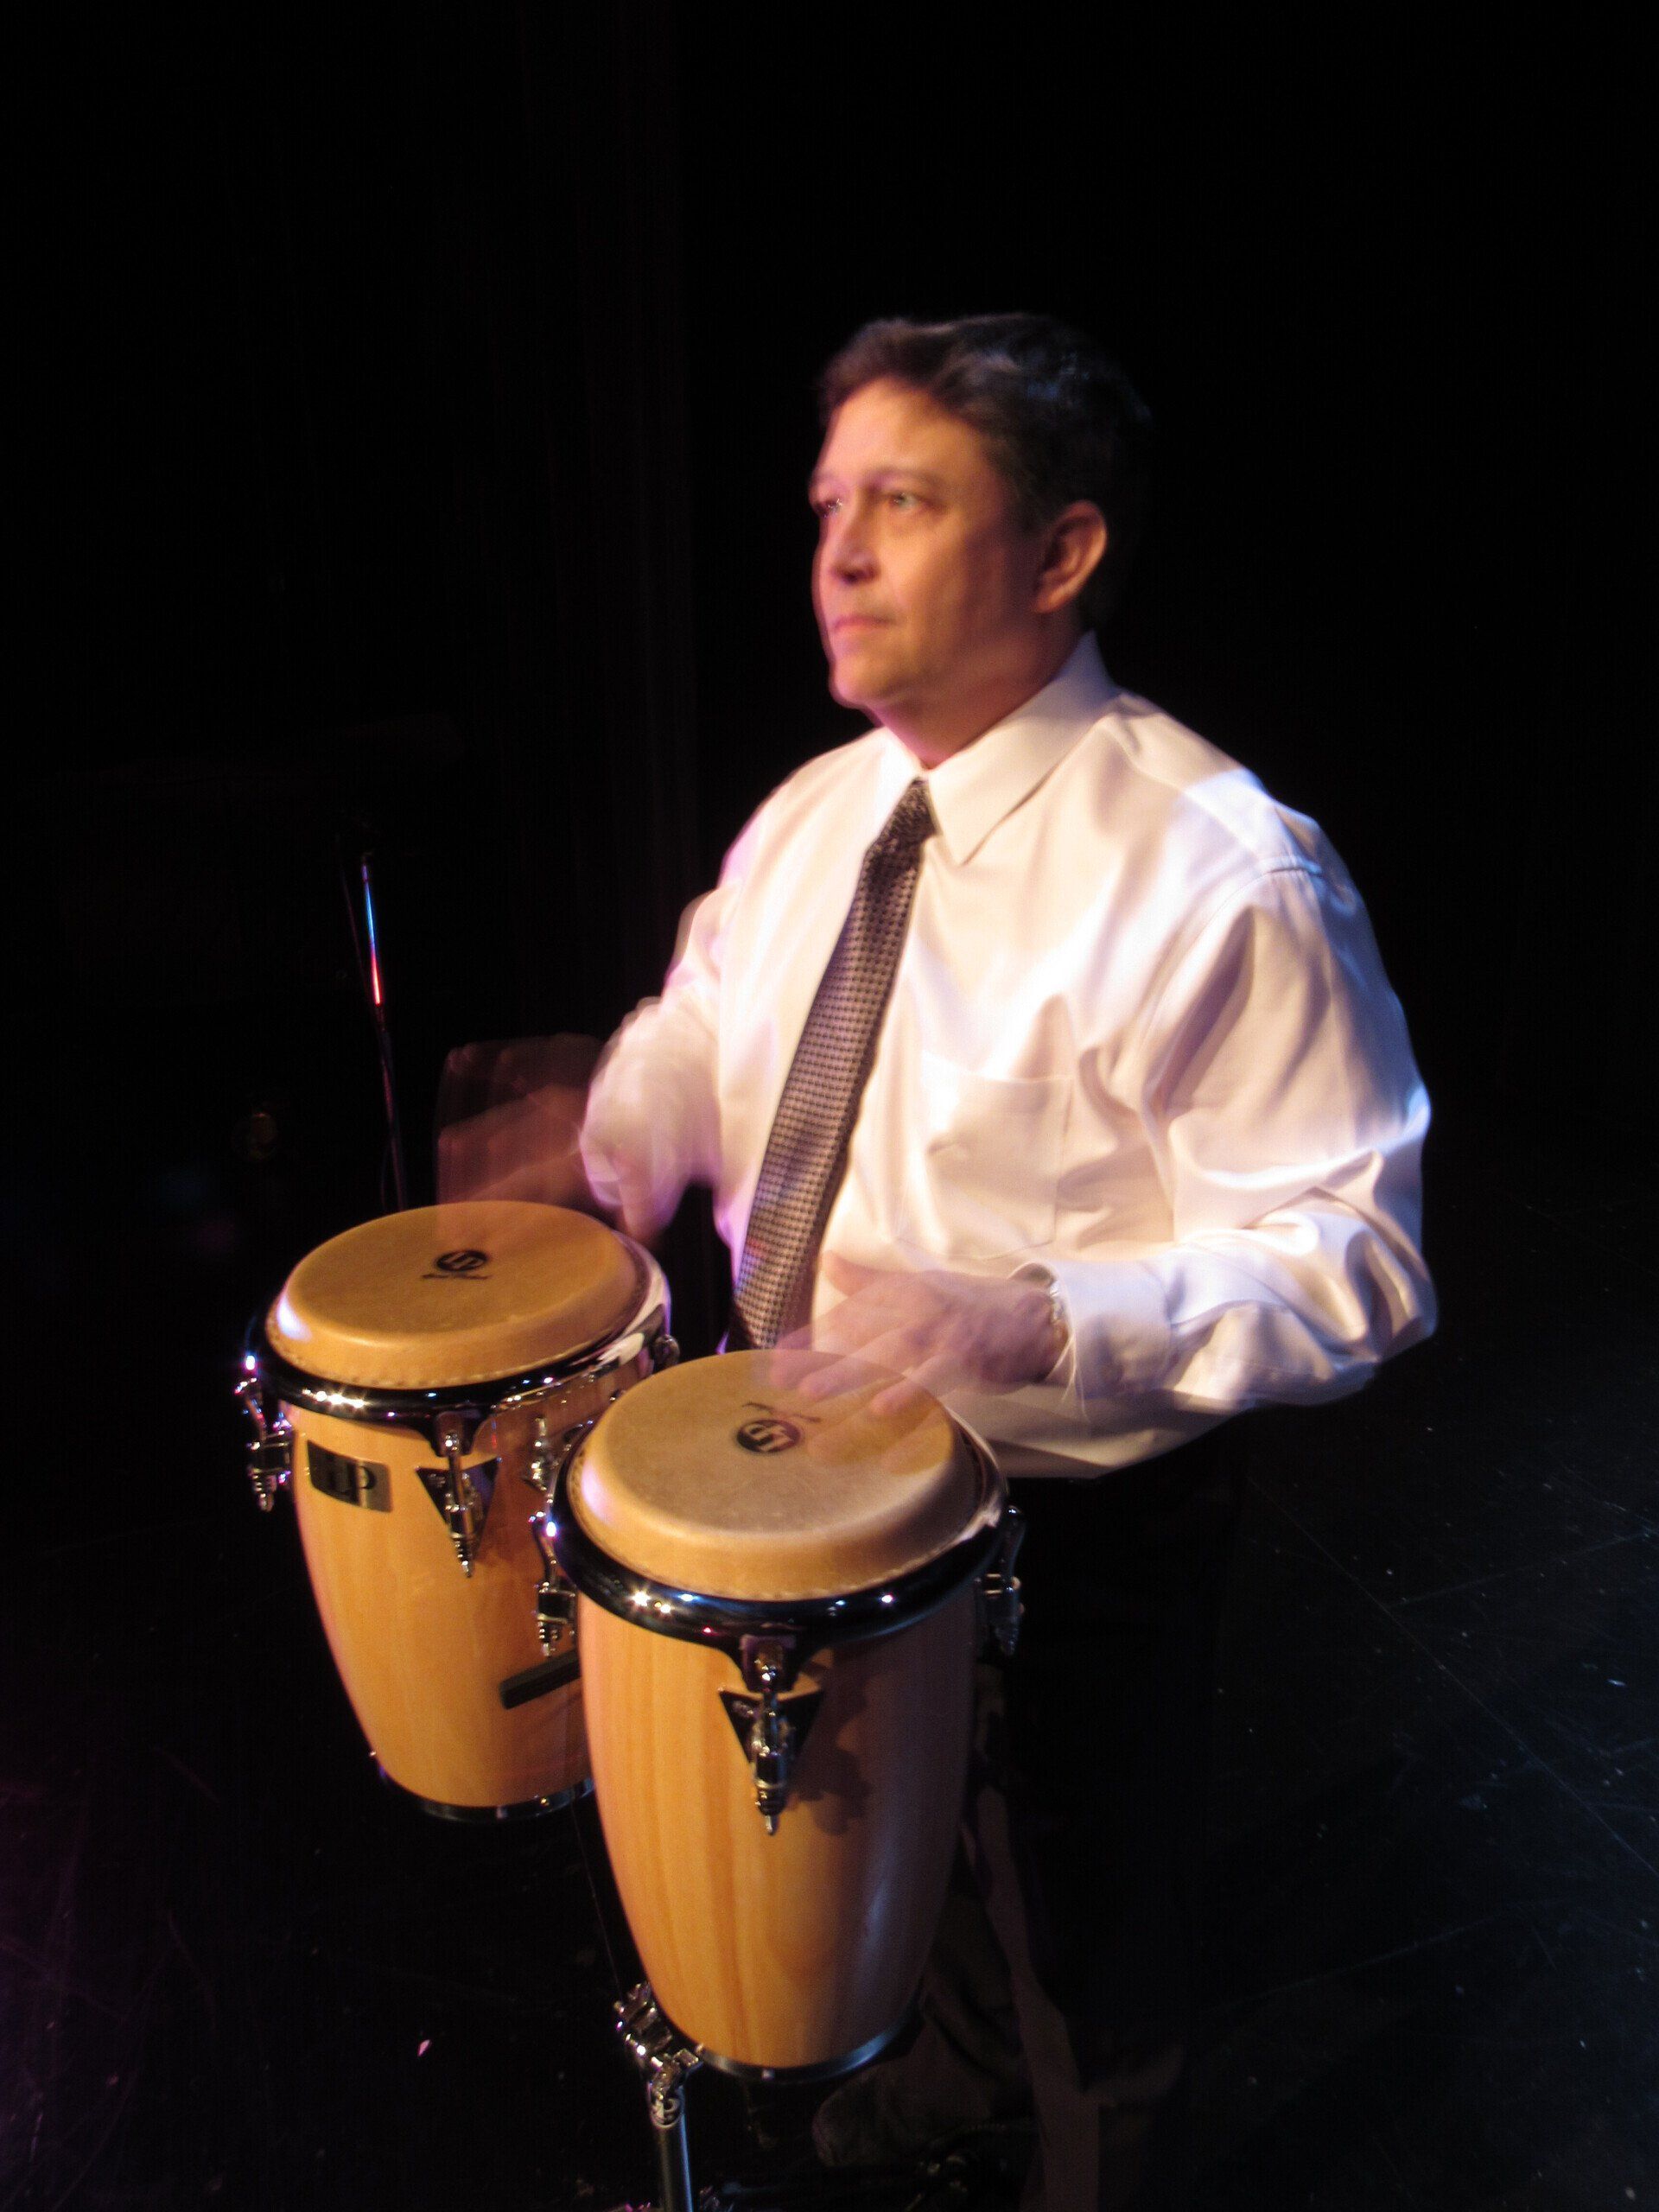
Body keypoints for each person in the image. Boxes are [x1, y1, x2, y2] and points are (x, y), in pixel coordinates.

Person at [439, 314, 1435, 2209]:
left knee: (1084, 1925)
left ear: (1062, 553)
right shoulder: (820, 811)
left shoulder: (1222, 869)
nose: (839, 552)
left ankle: (1089, 2160)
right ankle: (960, 2073)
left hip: (1074, 1519)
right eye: (829, 504)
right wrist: (629, 1118)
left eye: (903, 501)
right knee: (930, 1863)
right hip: (819, 1472)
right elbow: (708, 1009)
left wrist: (1040, 1318)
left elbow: (1360, 1258)